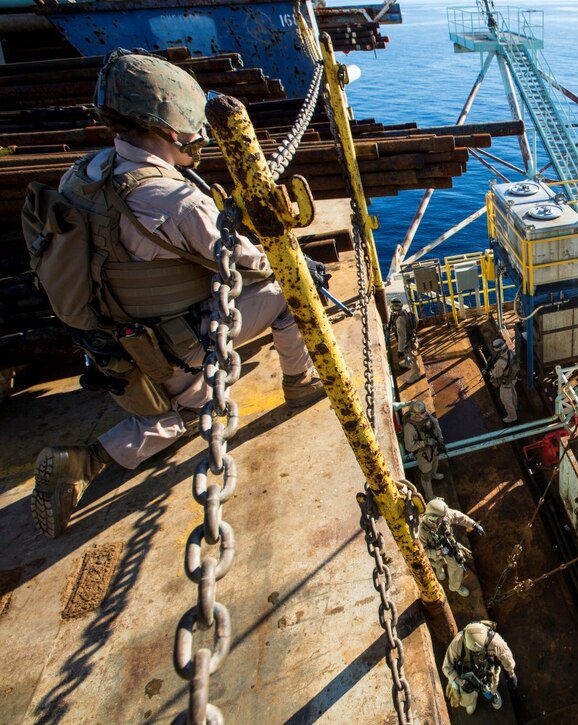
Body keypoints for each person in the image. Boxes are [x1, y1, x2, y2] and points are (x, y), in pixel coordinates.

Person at [27, 50, 325, 538]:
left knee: (182, 392)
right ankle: (301, 383)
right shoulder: (174, 200)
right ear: (171, 130)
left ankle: (108, 442)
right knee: (293, 289)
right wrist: (298, 265)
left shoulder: (85, 174)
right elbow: (252, 262)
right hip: (167, 353)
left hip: (109, 347)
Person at [442, 620, 517, 715]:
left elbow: (507, 658)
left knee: (491, 687)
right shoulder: (457, 643)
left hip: (488, 672)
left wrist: (511, 674)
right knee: (465, 698)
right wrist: (458, 682)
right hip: (466, 676)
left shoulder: (495, 641)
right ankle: (471, 701)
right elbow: (447, 666)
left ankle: (493, 695)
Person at [418, 497, 483, 598]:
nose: (446, 517)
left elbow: (458, 516)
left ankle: (454, 587)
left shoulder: (443, 514)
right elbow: (422, 551)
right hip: (435, 553)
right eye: (442, 517)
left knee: (458, 568)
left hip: (449, 549)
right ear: (433, 517)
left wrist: (473, 524)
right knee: (436, 563)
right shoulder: (421, 530)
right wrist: (437, 553)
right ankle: (439, 568)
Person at [401, 400, 444, 499]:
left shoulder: (426, 416)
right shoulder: (409, 428)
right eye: (421, 413)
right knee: (426, 475)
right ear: (415, 414)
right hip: (423, 453)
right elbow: (409, 446)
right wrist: (424, 442)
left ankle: (434, 475)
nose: (425, 413)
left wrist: (439, 437)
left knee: (435, 462)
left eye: (424, 411)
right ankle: (429, 495)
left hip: (434, 447)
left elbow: (435, 424)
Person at [388, 298, 423, 383]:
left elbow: (402, 336)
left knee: (411, 355)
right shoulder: (404, 313)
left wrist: (400, 350)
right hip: (410, 337)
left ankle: (416, 373)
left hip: (407, 340)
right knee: (407, 353)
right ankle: (407, 363)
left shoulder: (400, 319)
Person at [488, 336, 518, 423]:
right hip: (513, 379)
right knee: (513, 392)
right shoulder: (511, 353)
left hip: (506, 383)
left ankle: (512, 416)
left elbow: (497, 374)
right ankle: (515, 407)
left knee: (505, 399)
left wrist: (492, 372)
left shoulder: (500, 363)